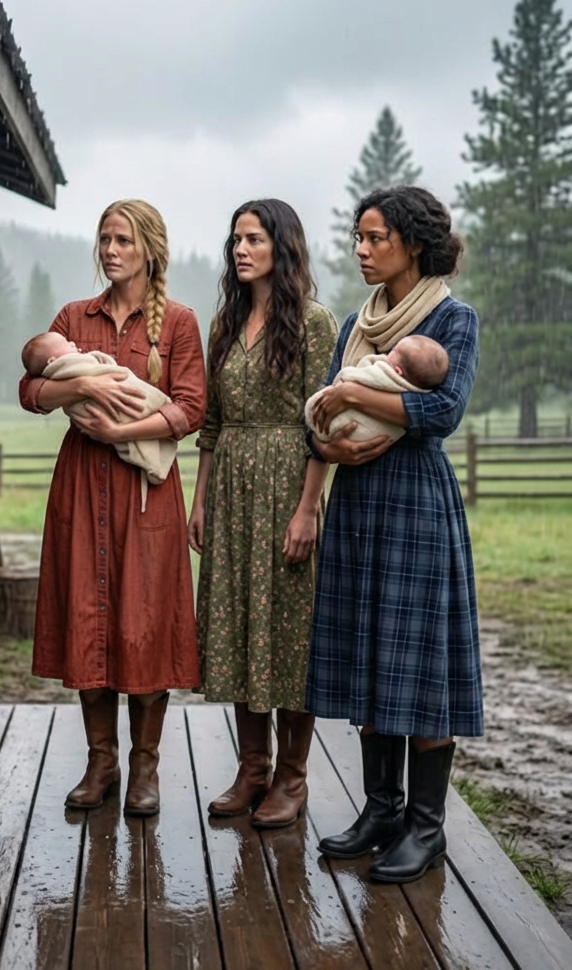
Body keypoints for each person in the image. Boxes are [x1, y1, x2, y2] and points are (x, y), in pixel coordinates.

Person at [306, 185, 482, 884]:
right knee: (370, 653)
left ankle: (426, 826)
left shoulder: (452, 319)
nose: (362, 249)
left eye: (375, 237)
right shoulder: (356, 323)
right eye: (358, 236)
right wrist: (329, 439)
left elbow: (442, 410)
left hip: (415, 503)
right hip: (356, 502)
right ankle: (381, 810)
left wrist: (354, 394)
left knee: (420, 662)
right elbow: (313, 409)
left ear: (413, 242)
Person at [19, 199, 206, 817]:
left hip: (147, 495)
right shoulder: (75, 316)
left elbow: (190, 407)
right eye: (103, 239)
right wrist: (82, 385)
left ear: (148, 248)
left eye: (122, 240)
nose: (109, 250)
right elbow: (30, 390)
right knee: (90, 616)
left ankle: (144, 769)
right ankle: (101, 762)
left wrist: (122, 433)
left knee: (143, 625)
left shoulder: (177, 323)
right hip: (82, 486)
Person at [188, 199, 338, 828]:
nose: (239, 250)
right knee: (236, 624)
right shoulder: (225, 323)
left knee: (287, 630)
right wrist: (199, 499)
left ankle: (293, 776)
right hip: (230, 490)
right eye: (234, 240)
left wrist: (308, 509)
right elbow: (212, 425)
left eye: (252, 239)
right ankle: (252, 767)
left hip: (287, 485)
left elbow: (323, 424)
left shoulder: (314, 322)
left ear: (283, 246)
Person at [21, 330, 176, 510]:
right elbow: (29, 390)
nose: (72, 343)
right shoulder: (71, 316)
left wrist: (118, 433)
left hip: (143, 488)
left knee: (135, 402)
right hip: (84, 473)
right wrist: (84, 386)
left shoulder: (179, 319)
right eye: (66, 342)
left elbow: (189, 411)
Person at [305, 334, 449, 443]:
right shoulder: (419, 388)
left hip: (356, 430)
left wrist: (348, 392)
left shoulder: (383, 373)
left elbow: (347, 376)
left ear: (398, 371)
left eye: (394, 350)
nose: (389, 352)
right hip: (381, 440)